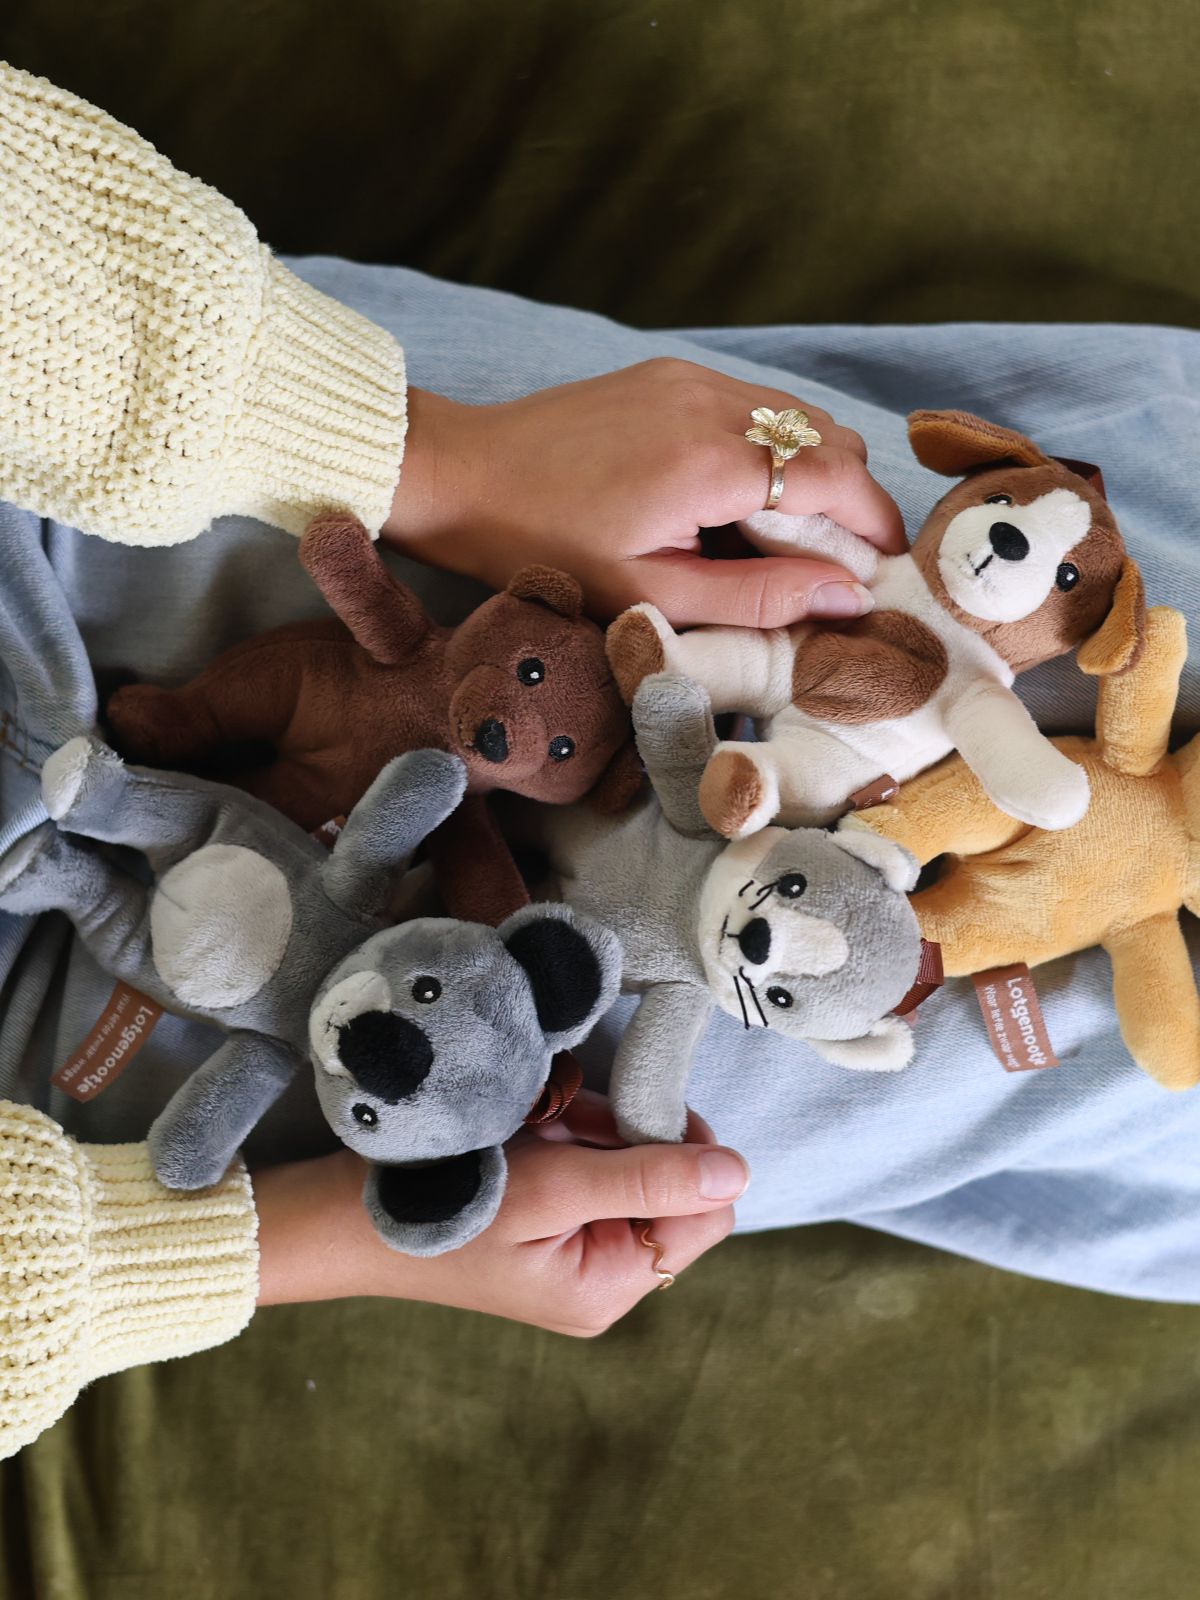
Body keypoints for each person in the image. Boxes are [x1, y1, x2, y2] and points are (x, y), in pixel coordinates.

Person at [4, 61, 1200, 1460]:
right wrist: (339, 1235)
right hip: (174, 1050)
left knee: (1080, 578)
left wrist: (436, 463)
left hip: (104, 465)